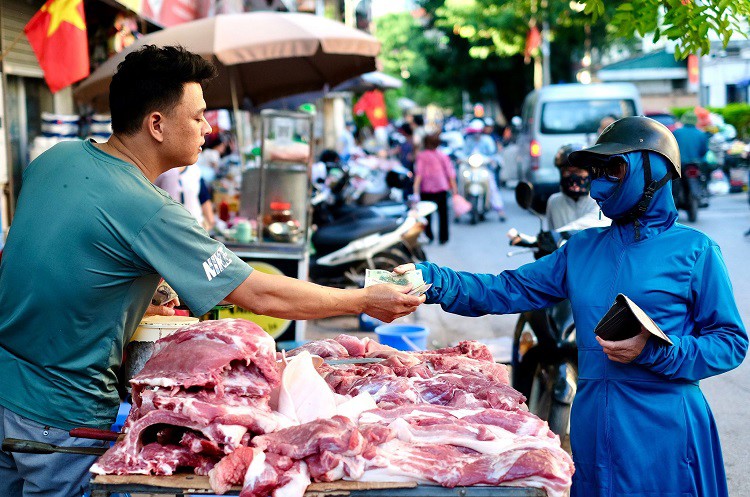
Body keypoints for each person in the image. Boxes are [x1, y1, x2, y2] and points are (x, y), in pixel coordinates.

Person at [0, 45, 424, 497]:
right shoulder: (149, 209)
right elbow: (261, 296)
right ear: (157, 124)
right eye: (199, 115)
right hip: (61, 417)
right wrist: (359, 300)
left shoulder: (54, 159)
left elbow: (54, 255)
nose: (207, 128)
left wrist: (145, 282)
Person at [396, 116, 747, 497]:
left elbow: (730, 342)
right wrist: (433, 280)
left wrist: (656, 351)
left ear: (653, 170)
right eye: (597, 169)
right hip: (594, 424)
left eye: (614, 168)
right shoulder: (581, 249)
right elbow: (506, 289)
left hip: (665, 433)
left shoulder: (695, 251)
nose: (599, 182)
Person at [413, 133, 458, 245]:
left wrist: (415, 190)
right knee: (443, 214)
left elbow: (419, 174)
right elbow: (450, 173)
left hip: (426, 189)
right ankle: (444, 238)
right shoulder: (443, 155)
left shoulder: (421, 156)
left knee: (427, 215)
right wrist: (455, 190)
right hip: (441, 188)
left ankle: (429, 236)